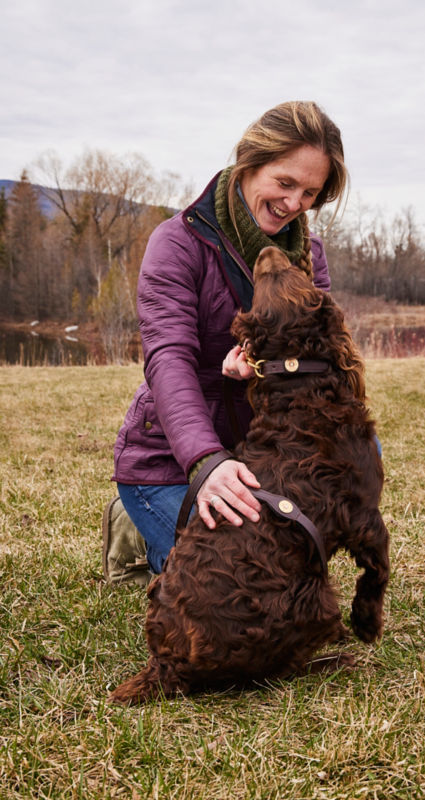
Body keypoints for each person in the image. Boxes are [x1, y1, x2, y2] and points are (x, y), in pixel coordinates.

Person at [102, 100, 348, 583]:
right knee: (237, 576)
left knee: (362, 460)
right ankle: (140, 534)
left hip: (263, 445)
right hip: (172, 460)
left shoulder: (309, 254)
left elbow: (317, 357)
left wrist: (266, 370)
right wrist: (207, 462)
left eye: (310, 192)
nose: (294, 203)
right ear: (249, 162)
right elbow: (168, 359)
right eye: (285, 183)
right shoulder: (176, 243)